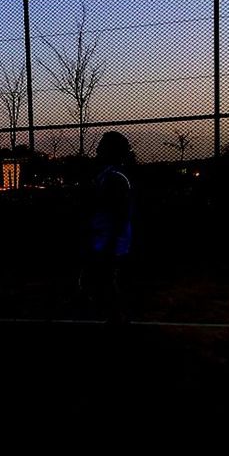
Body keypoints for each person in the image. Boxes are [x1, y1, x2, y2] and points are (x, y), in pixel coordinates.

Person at [78, 131, 135, 323]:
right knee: (102, 280)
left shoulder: (115, 178)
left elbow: (119, 214)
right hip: (104, 239)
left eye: (102, 145)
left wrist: (110, 244)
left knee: (106, 280)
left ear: (111, 150)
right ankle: (113, 317)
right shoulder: (109, 175)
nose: (97, 149)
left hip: (108, 241)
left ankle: (116, 319)